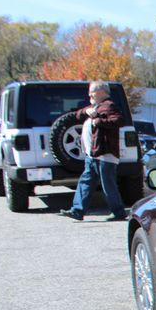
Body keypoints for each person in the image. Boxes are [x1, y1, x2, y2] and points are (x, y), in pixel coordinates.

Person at [59, 81, 128, 221]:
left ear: (102, 92)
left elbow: (119, 121)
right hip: (93, 155)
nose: (89, 94)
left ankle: (119, 213)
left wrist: (98, 121)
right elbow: (78, 114)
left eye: (92, 91)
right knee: (85, 182)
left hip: (105, 155)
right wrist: (86, 111)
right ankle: (77, 211)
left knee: (108, 186)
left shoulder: (109, 106)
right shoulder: (95, 107)